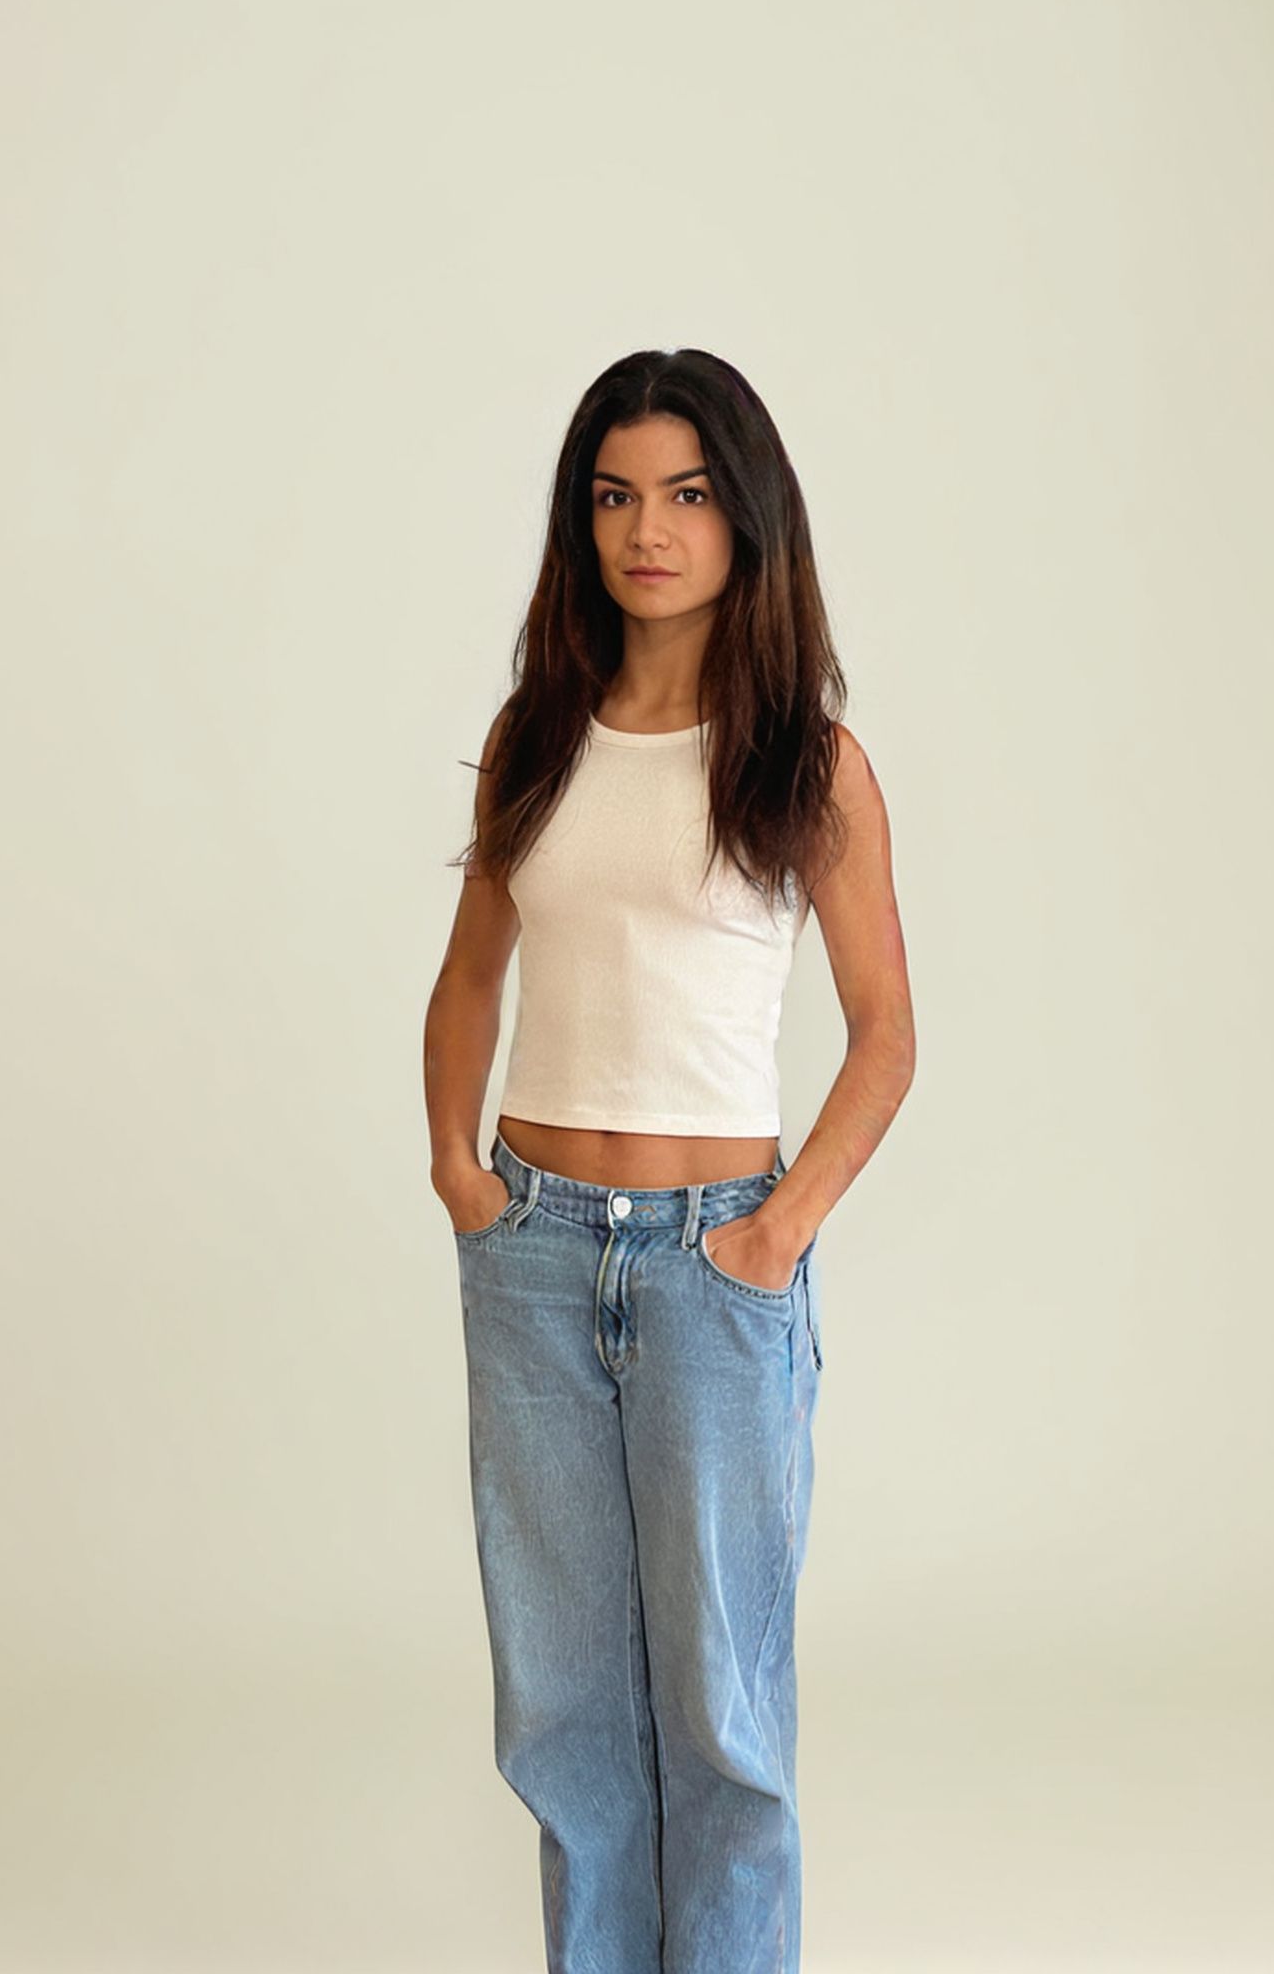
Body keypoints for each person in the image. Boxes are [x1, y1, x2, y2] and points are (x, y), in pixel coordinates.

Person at [423, 346, 915, 1974]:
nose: (650, 528)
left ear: (745, 517)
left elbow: (886, 1031)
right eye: (616, 495)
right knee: (564, 1704)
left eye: (688, 494)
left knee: (721, 1711)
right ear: (584, 523)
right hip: (540, 1254)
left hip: (717, 1266)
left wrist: (777, 1233)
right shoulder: (538, 738)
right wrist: (461, 1176)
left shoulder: (806, 765)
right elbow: (471, 977)